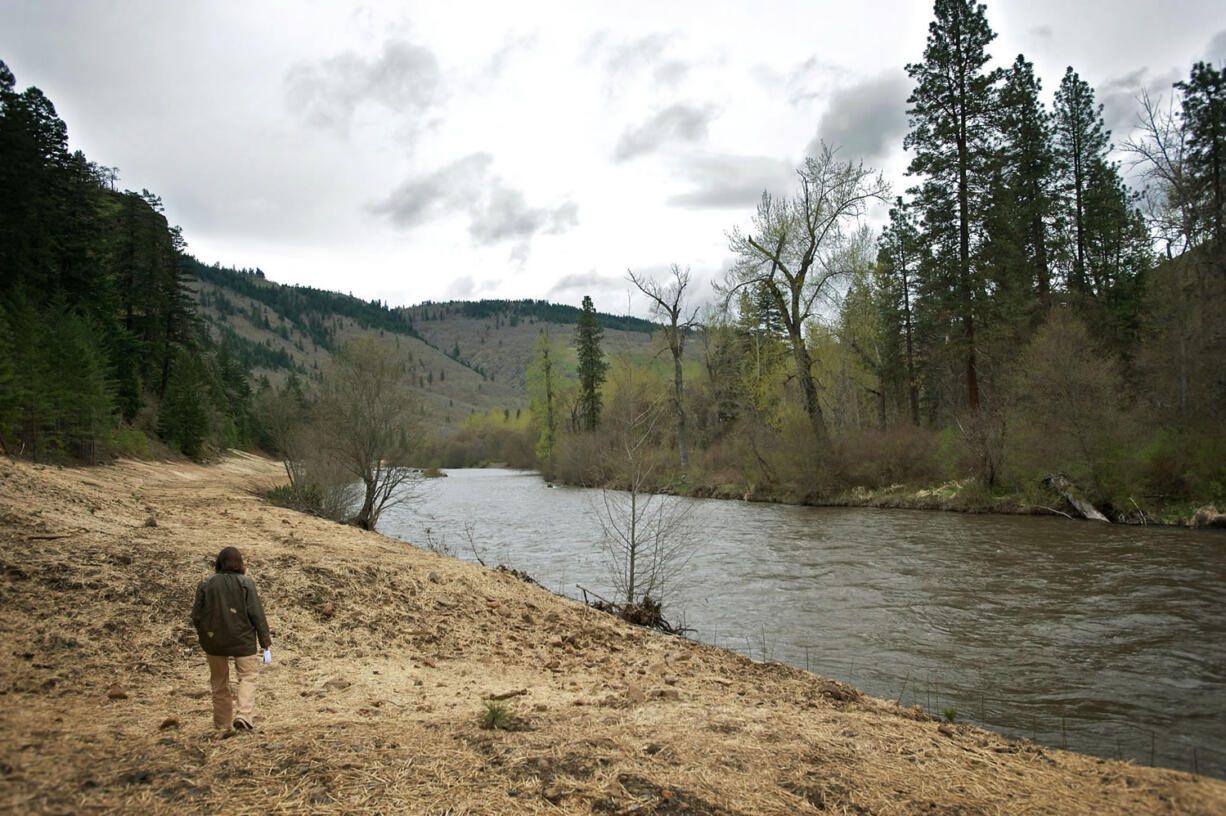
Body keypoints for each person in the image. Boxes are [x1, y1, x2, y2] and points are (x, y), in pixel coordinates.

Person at [191, 546, 272, 731]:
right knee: (248, 677)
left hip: (213, 642)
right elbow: (257, 614)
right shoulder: (246, 583)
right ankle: (243, 716)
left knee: (219, 682)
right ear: (240, 563)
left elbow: (196, 615)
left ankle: (222, 725)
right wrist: (265, 642)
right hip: (243, 640)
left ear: (218, 563)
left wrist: (204, 634)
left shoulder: (205, 583)